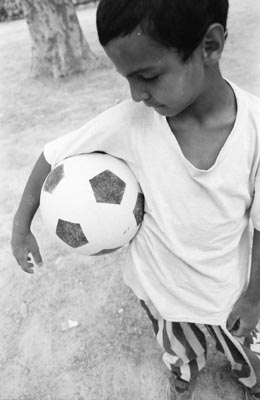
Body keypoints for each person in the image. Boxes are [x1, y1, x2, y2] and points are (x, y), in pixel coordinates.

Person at [11, 0, 260, 399]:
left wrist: (252, 298)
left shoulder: (255, 129)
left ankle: (247, 371)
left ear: (210, 46)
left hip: (230, 291)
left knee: (247, 351)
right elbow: (53, 154)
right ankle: (184, 365)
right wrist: (21, 226)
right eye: (126, 78)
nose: (136, 94)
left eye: (148, 75)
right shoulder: (131, 120)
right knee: (176, 342)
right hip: (160, 288)